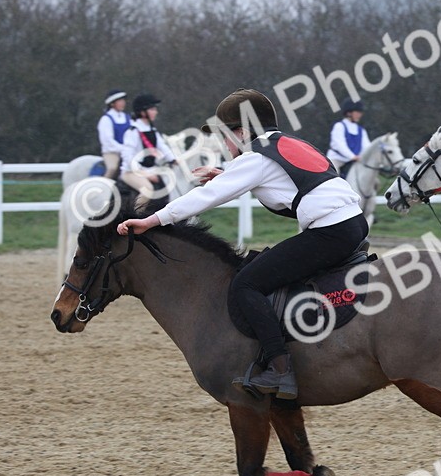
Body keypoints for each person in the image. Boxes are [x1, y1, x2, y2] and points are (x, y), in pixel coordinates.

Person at [116, 89, 368, 400]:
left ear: (243, 132)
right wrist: (227, 175)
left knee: (246, 284)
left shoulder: (256, 157)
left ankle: (280, 370)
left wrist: (151, 221)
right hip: (354, 224)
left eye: (225, 136)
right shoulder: (289, 144)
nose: (224, 144)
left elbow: (205, 198)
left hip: (330, 232)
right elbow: (279, 182)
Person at [119, 93, 178, 208]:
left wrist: (174, 159)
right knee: (148, 189)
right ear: (142, 112)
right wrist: (145, 174)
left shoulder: (152, 130)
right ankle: (136, 216)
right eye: (152, 109)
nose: (156, 112)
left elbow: (163, 147)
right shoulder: (132, 131)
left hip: (149, 169)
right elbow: (128, 158)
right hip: (131, 172)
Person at [327, 97, 370, 178]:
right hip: (338, 159)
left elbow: (366, 147)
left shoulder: (361, 130)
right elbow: (340, 145)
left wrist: (363, 157)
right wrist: (353, 156)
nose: (360, 115)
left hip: (354, 160)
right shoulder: (339, 126)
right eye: (357, 112)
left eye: (360, 112)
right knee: (332, 177)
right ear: (349, 113)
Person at [96, 89, 131, 180]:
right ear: (112, 104)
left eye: (123, 101)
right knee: (112, 168)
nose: (123, 103)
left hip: (128, 151)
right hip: (112, 152)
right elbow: (107, 140)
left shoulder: (128, 118)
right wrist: (123, 149)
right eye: (120, 101)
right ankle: (103, 189)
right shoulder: (106, 119)